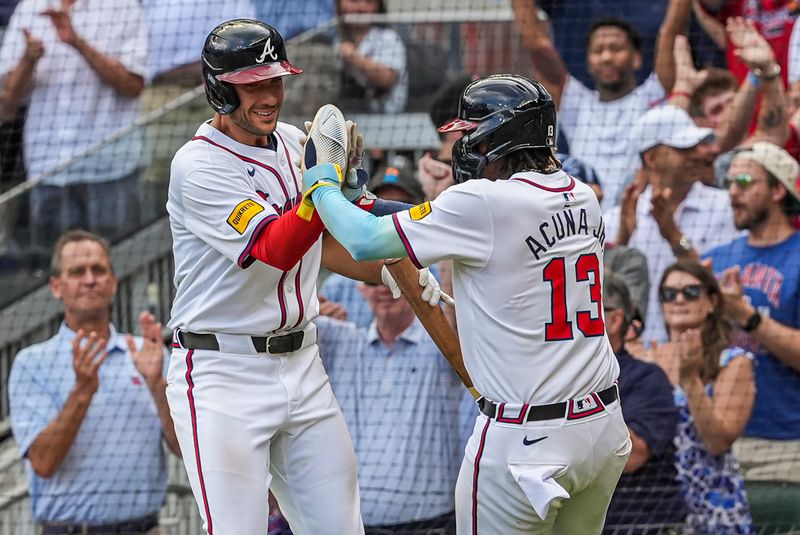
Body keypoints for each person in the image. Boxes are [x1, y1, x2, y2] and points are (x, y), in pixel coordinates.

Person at [302, 73, 631, 534]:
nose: (463, 144)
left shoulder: (483, 201)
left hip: (524, 444)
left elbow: (363, 242)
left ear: (500, 134)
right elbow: (447, 223)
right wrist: (365, 200)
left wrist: (323, 188)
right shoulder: (581, 195)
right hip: (601, 429)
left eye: (469, 132)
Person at [164, 20, 442, 535]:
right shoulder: (197, 165)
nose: (269, 96)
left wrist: (417, 248)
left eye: (275, 81)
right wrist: (323, 186)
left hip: (303, 364)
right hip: (223, 372)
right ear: (219, 89)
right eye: (253, 85)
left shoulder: (294, 142)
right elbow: (274, 247)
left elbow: (337, 237)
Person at [7, 229, 179, 534]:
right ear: (56, 286)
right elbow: (44, 462)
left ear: (113, 283)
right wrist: (83, 391)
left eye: (98, 270)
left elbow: (185, 450)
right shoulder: (32, 363)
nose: (90, 279)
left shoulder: (148, 354)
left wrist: (157, 385)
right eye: (77, 272)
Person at [703, 142, 800, 533]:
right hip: (721, 439)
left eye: (744, 181)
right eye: (729, 182)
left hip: (787, 447)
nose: (733, 191)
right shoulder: (720, 257)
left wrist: (747, 317)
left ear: (778, 190)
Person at [316, 281, 464, 534]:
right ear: (360, 289)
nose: (384, 290)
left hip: (431, 525)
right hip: (353, 525)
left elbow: (458, 291)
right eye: (373, 282)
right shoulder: (343, 341)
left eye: (396, 282)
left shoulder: (442, 345)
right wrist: (310, 309)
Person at [0, 0, 147, 254]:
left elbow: (133, 84)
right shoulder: (30, 7)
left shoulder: (122, 6)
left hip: (111, 165)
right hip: (49, 166)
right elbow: (8, 99)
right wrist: (28, 58)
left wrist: (76, 41)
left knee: (120, 261)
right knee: (52, 273)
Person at [511, 0, 679, 210]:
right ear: (589, 62)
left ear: (636, 58)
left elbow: (671, 30)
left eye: (616, 48)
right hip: (582, 218)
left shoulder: (653, 94)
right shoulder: (575, 103)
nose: (607, 57)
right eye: (598, 50)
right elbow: (537, 45)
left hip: (642, 217)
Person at [604, 104, 739, 345]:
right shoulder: (615, 219)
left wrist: (674, 236)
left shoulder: (726, 208)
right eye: (683, 148)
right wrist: (623, 238)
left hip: (706, 350)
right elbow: (602, 295)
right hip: (636, 356)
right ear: (652, 158)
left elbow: (722, 291)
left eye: (695, 146)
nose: (697, 154)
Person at [648, 261, 755, 534]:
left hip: (713, 507)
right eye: (669, 294)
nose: (679, 299)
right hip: (652, 506)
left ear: (711, 302)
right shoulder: (646, 361)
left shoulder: (733, 363)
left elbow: (717, 441)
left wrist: (690, 380)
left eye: (691, 291)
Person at [601, 271, 686, 534]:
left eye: (579, 309)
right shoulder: (554, 378)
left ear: (615, 319)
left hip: (642, 524)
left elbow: (631, 456)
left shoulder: (647, 378)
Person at [335, 0, 407, 113]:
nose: (361, 8)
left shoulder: (387, 37)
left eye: (369, 2)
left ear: (378, 6)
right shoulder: (332, 36)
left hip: (384, 118)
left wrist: (352, 56)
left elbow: (387, 78)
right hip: (340, 118)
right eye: (354, 1)